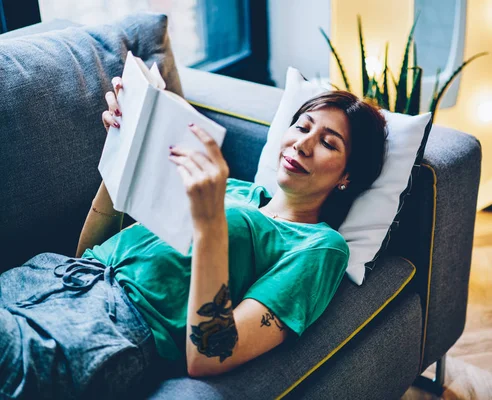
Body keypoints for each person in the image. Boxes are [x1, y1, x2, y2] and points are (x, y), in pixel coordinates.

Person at [0, 76, 388, 399]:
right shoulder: (234, 188)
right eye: (302, 127)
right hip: (50, 275)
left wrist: (209, 227)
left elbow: (211, 355)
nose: (303, 143)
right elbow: (88, 254)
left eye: (327, 142)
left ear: (347, 177)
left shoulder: (319, 246)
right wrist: (121, 154)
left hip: (107, 325)